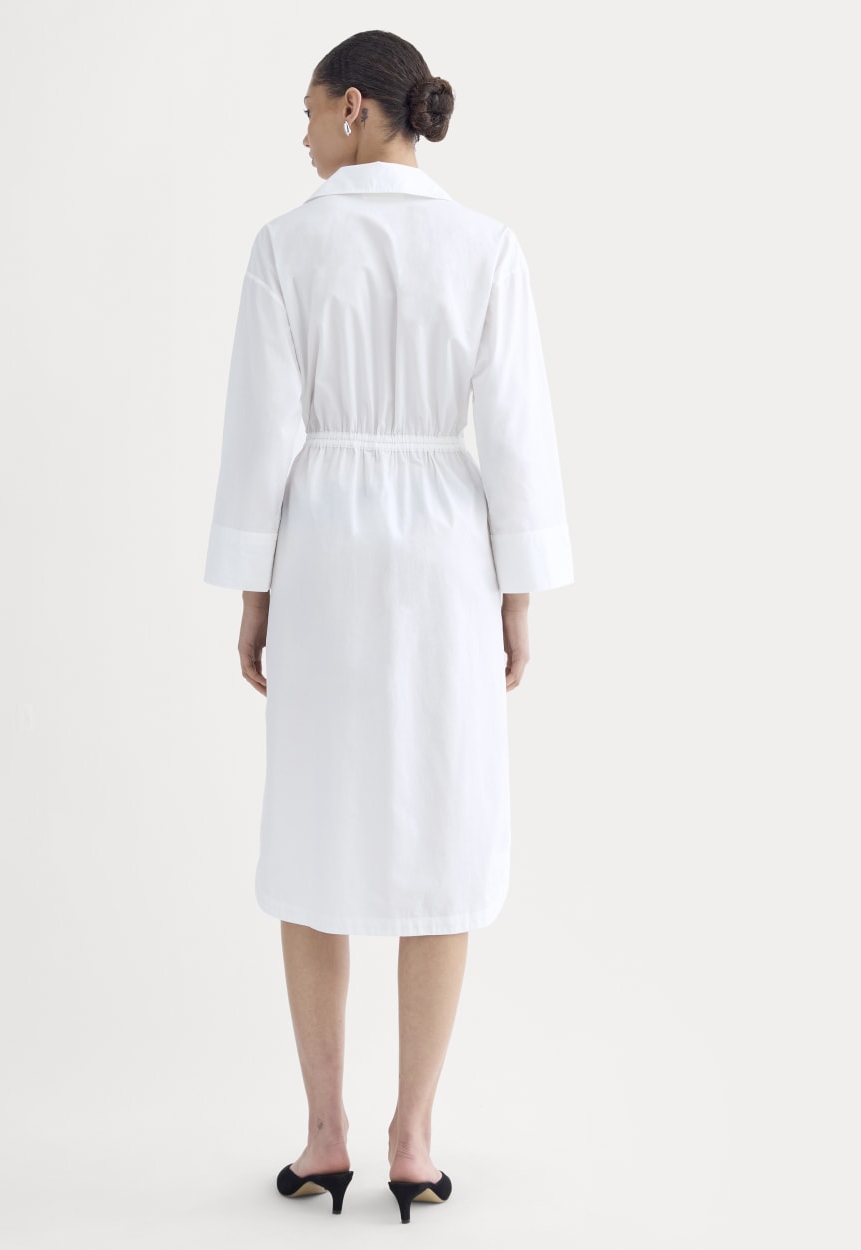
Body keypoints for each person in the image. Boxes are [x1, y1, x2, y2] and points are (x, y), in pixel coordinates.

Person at [202, 29, 574, 1224]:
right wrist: (517, 591)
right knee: (445, 828)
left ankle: (326, 1133)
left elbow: (260, 430)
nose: (304, 133)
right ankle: (413, 1137)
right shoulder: (486, 247)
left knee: (313, 826)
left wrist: (254, 591)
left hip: (322, 548)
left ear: (356, 106)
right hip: (445, 555)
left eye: (311, 110)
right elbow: (515, 433)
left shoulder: (286, 245)